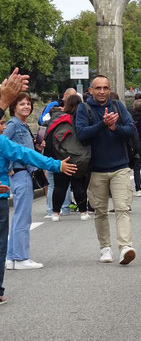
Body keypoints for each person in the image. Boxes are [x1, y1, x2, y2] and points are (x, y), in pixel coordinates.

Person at [0, 68, 77, 297]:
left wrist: (54, 164)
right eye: (21, 104)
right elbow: (26, 156)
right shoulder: (11, 131)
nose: (3, 128)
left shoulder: (8, 136)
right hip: (17, 180)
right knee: (19, 220)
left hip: (6, 193)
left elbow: (29, 154)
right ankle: (18, 258)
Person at [75, 75, 137, 265]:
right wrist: (103, 124)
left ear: (110, 89)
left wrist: (114, 128)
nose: (102, 91)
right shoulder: (83, 108)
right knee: (100, 211)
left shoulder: (118, 106)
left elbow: (130, 129)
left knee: (122, 208)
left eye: (105, 88)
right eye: (98, 88)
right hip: (95, 169)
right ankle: (105, 248)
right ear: (90, 90)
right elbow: (82, 133)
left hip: (120, 167)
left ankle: (125, 247)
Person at [4, 92, 48, 269]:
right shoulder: (13, 125)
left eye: (28, 104)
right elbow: (2, 144)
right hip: (20, 174)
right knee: (22, 217)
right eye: (22, 104)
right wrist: (9, 168)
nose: (27, 107)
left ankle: (12, 257)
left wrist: (36, 147)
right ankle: (20, 257)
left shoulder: (22, 126)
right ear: (14, 107)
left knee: (19, 216)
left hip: (24, 173)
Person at [45, 94, 91, 221]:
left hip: (60, 158)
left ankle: (55, 213)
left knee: (59, 186)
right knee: (78, 185)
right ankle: (83, 211)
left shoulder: (57, 119)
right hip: (78, 158)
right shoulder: (81, 119)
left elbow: (47, 137)